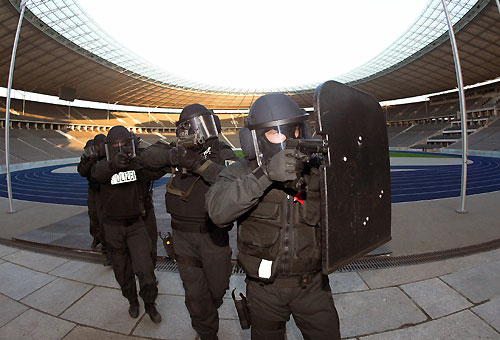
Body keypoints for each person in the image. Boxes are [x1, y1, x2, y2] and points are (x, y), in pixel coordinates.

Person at [206, 93, 341, 340]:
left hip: (313, 287)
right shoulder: (240, 172)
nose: (290, 140)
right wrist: (265, 175)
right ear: (256, 139)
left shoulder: (318, 171)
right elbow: (218, 212)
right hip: (264, 291)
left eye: (295, 131)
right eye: (277, 133)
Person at [140, 103, 239, 340]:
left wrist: (197, 164)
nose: (194, 131)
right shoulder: (177, 151)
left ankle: (208, 312)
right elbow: (146, 158)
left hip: (213, 236)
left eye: (198, 124)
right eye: (187, 127)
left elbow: (234, 179)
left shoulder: (221, 152)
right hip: (182, 236)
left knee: (218, 287)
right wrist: (171, 155)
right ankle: (206, 331)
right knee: (194, 293)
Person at [91, 125, 163, 323]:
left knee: (146, 271)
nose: (120, 149)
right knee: (122, 274)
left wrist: (141, 157)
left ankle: (149, 303)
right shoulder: (101, 166)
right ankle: (132, 300)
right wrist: (114, 164)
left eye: (124, 145)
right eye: (115, 146)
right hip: (112, 229)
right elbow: (97, 174)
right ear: (108, 148)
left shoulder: (136, 164)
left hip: (135, 226)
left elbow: (155, 171)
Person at [77, 134, 111, 265]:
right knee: (94, 216)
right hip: (94, 190)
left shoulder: (108, 155)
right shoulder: (89, 155)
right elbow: (82, 171)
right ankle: (97, 238)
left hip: (106, 190)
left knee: (105, 220)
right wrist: (91, 160)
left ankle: (107, 250)